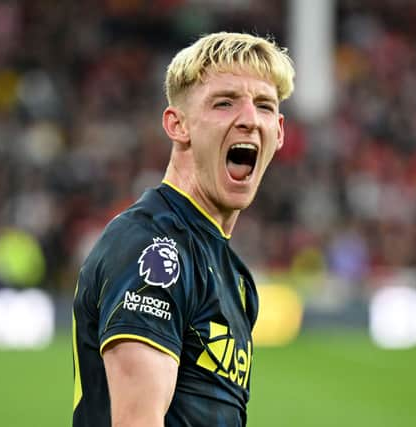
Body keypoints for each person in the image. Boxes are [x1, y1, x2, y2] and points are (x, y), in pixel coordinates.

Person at [72, 31, 295, 426]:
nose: (248, 119)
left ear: (277, 132)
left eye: (263, 105)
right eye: (224, 103)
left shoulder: (234, 274)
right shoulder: (153, 249)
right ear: (178, 125)